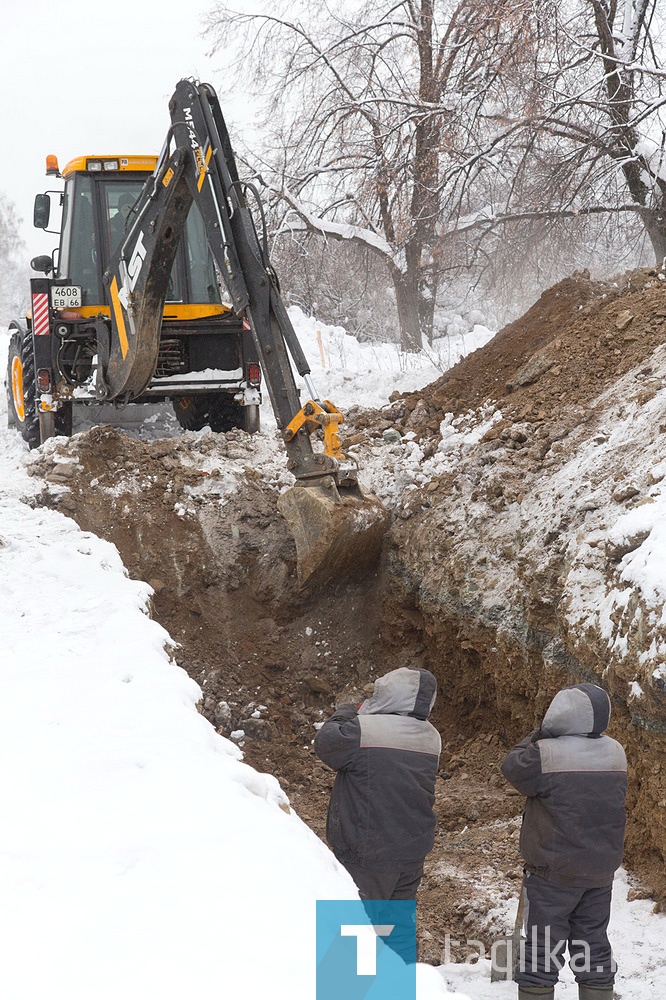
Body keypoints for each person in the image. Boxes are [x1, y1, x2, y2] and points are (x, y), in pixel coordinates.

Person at [501, 682, 627, 1000]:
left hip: (552, 873)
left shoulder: (546, 753)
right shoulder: (615, 751)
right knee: (593, 944)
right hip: (599, 873)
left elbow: (513, 767)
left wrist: (539, 734)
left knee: (541, 951)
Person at [314, 665, 441, 901]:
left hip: (366, 853)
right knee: (396, 929)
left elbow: (325, 743)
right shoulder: (432, 737)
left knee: (348, 930)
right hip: (411, 852)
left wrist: (346, 712)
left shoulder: (364, 729)